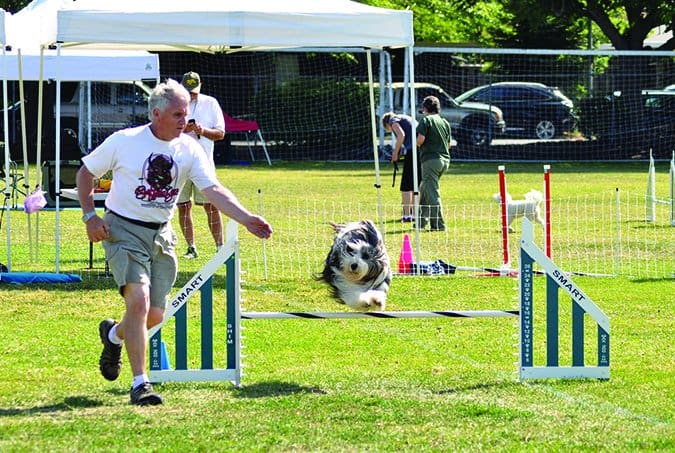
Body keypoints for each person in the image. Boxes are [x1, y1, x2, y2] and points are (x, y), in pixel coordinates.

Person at [76, 79, 272, 406]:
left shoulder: (189, 148)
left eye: (187, 113)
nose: (186, 120)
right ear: (156, 113)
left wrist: (246, 218)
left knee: (153, 314)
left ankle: (113, 336)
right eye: (179, 114)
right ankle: (141, 384)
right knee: (137, 302)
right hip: (122, 229)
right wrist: (89, 216)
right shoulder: (124, 141)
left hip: (162, 234)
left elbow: (214, 191)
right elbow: (85, 173)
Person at [177, 71, 226, 259]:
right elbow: (163, 133)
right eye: (188, 91)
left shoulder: (210, 103)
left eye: (194, 92)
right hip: (180, 163)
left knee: (211, 205)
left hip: (204, 163)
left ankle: (220, 247)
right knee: (183, 206)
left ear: (200, 86)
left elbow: (220, 133)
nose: (191, 95)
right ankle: (191, 247)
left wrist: (202, 130)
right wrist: (183, 130)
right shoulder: (173, 103)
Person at [416, 95, 452, 232]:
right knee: (425, 188)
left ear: (425, 108)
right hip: (444, 160)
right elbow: (448, 144)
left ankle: (438, 225)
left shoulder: (426, 120)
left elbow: (420, 140)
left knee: (432, 193)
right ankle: (421, 222)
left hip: (431, 160)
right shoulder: (445, 122)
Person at [382, 112, 421, 222]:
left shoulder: (393, 121)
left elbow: (401, 135)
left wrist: (395, 153)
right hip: (421, 150)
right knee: (416, 184)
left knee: (406, 184)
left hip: (413, 150)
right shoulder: (405, 118)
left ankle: (407, 215)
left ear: (386, 124)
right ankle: (415, 214)